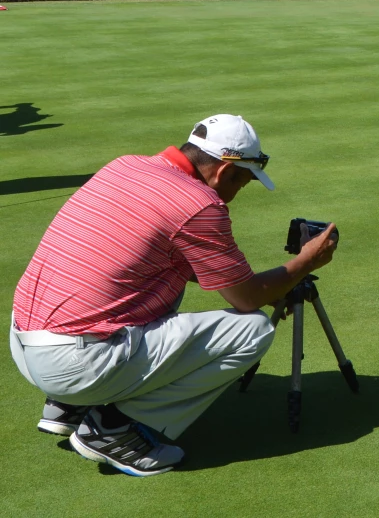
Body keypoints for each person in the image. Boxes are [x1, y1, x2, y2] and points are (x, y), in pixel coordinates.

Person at [8, 114, 338, 476]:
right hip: (74, 362)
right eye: (243, 180)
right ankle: (114, 430)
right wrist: (305, 263)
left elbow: (184, 265)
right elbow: (245, 299)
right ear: (225, 171)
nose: (239, 191)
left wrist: (271, 286)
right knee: (253, 330)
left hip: (24, 344)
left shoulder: (125, 165)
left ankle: (67, 404)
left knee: (165, 278)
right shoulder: (200, 205)